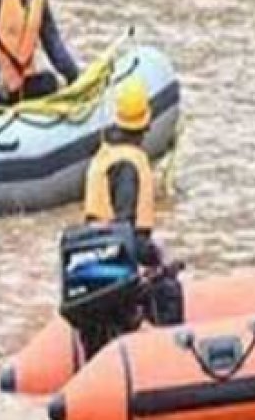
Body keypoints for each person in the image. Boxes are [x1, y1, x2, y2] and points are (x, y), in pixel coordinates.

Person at [83, 76, 182, 325]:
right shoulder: (128, 164)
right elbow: (125, 233)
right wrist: (159, 257)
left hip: (97, 262)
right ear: (145, 125)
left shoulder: (104, 155)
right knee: (169, 294)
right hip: (114, 265)